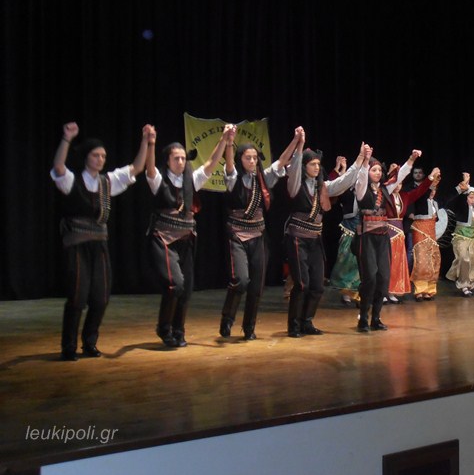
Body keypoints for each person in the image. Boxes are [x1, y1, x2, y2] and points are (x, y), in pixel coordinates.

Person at [51, 122, 149, 360]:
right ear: (86, 157)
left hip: (99, 245)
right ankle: (68, 346)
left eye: (103, 156)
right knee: (77, 297)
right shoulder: (72, 180)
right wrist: (67, 139)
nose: (100, 159)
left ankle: (89, 342)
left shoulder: (107, 181)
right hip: (77, 244)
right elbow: (58, 167)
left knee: (101, 297)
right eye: (96, 155)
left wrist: (146, 141)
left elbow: (137, 167)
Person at [145, 124, 233, 348]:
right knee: (175, 284)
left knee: (186, 289)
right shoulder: (159, 180)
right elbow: (150, 168)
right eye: (176, 158)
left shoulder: (190, 180)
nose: (181, 162)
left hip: (185, 240)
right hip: (163, 239)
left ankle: (178, 330)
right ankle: (164, 328)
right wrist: (151, 143)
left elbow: (211, 163)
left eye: (183, 158)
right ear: (168, 161)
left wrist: (224, 140)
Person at [219, 127, 300, 340]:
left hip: (258, 236)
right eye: (248, 158)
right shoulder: (233, 178)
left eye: (255, 158)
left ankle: (249, 328)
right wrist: (229, 142)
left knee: (257, 286)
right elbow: (229, 165)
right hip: (237, 235)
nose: (253, 161)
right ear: (240, 159)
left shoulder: (263, 178)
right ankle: (227, 318)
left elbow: (282, 161)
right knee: (241, 280)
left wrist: (295, 140)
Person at [285, 128, 367, 337]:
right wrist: (299, 144)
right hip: (297, 238)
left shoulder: (323, 187)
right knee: (301, 284)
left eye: (317, 164)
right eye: (312, 164)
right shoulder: (295, 184)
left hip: (315, 239)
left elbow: (344, 182)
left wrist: (359, 159)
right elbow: (294, 167)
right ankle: (294, 325)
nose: (316, 167)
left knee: (317, 286)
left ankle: (307, 322)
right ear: (304, 167)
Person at [385, 152, 434, 303]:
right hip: (387, 232)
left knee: (397, 263)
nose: (398, 186)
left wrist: (430, 178)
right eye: (396, 182)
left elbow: (419, 191)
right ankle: (382, 291)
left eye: (400, 183)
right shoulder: (385, 194)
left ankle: (392, 291)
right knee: (386, 262)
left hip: (399, 234)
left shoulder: (404, 196)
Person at [327, 156, 362, 307]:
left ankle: (359, 294)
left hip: (363, 230)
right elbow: (334, 185)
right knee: (346, 262)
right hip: (348, 229)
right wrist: (341, 169)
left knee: (360, 264)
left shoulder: (366, 190)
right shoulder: (346, 191)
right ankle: (347, 293)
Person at [445, 173, 474, 297]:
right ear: (466, 197)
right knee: (463, 259)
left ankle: (470, 285)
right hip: (461, 236)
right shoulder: (461, 206)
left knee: (473, 260)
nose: (473, 200)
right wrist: (465, 183)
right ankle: (463, 284)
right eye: (470, 197)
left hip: (473, 237)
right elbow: (455, 199)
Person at [409, 172, 444, 301]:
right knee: (421, 260)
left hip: (431, 234)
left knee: (433, 260)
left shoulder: (435, 203)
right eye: (431, 189)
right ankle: (419, 290)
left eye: (435, 189)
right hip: (420, 231)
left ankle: (429, 289)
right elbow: (424, 192)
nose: (433, 191)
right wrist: (432, 179)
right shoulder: (420, 199)